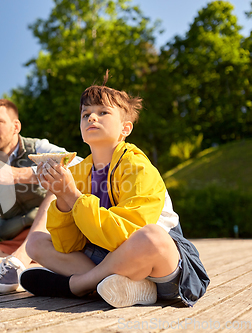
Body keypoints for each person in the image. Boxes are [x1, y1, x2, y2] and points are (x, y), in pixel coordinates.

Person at [20, 74, 209, 308]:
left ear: (125, 128)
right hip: (108, 258)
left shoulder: (138, 166)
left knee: (151, 236)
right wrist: (62, 200)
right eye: (85, 114)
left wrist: (73, 196)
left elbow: (127, 234)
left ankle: (79, 286)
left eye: (103, 112)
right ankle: (127, 288)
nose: (92, 117)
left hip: (161, 266)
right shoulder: (79, 172)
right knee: (36, 242)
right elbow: (68, 245)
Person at [0, 99, 81, 293]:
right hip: (13, 242)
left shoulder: (38, 148)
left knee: (57, 185)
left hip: (52, 233)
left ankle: (18, 264)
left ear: (16, 126)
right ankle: (41, 269)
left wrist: (17, 174)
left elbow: (80, 165)